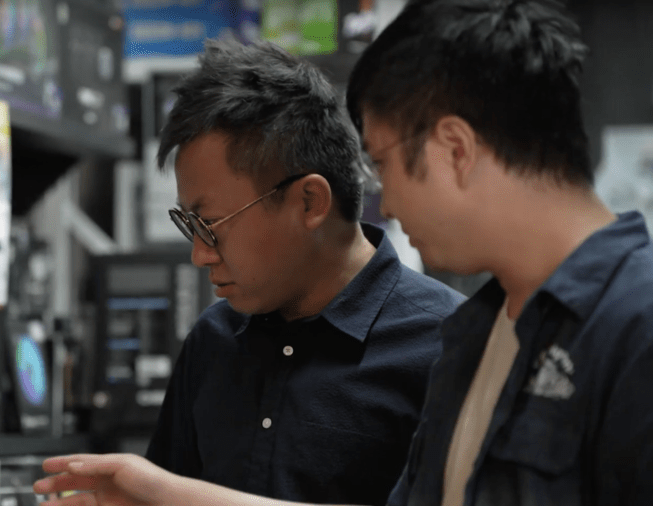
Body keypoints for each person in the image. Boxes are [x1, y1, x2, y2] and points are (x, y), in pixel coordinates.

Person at [33, 1, 653, 505]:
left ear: (456, 150)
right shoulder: (486, 331)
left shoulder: (627, 326)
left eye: (383, 163)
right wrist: (162, 494)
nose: (387, 199)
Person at [148, 36, 462, 505]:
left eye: (210, 224)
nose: (200, 254)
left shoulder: (449, 346)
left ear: (309, 202)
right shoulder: (213, 342)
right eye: (188, 224)